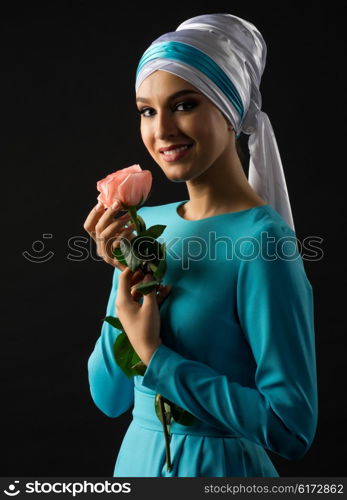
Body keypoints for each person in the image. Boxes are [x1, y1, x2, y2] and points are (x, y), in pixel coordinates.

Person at [84, 13, 318, 477]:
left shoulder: (262, 241)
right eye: (147, 111)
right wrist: (123, 287)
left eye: (185, 104)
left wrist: (155, 356)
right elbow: (107, 398)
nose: (162, 130)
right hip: (134, 466)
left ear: (230, 111)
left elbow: (292, 430)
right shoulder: (145, 227)